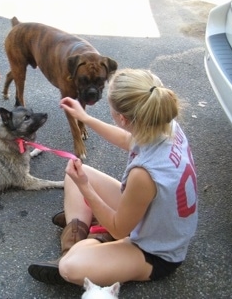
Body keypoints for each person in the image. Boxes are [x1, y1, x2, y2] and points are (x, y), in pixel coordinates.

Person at [28, 69, 198, 286]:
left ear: (123, 118)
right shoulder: (164, 123)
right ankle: (82, 236)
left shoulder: (143, 175)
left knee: (69, 268)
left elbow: (120, 229)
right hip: (154, 218)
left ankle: (89, 237)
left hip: (155, 252)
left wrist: (85, 187)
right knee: (77, 172)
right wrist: (86, 118)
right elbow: (129, 139)